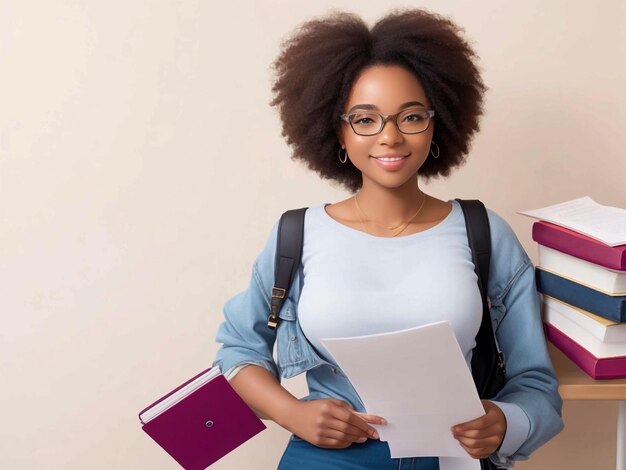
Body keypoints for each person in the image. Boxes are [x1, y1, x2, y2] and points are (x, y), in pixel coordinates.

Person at [213, 9, 563, 469]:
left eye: (411, 116)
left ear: (437, 124)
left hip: (451, 457)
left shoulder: (483, 233)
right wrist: (291, 413)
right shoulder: (296, 235)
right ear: (337, 131)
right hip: (327, 458)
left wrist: (504, 420)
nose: (391, 137)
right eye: (365, 119)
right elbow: (239, 351)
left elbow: (535, 382)